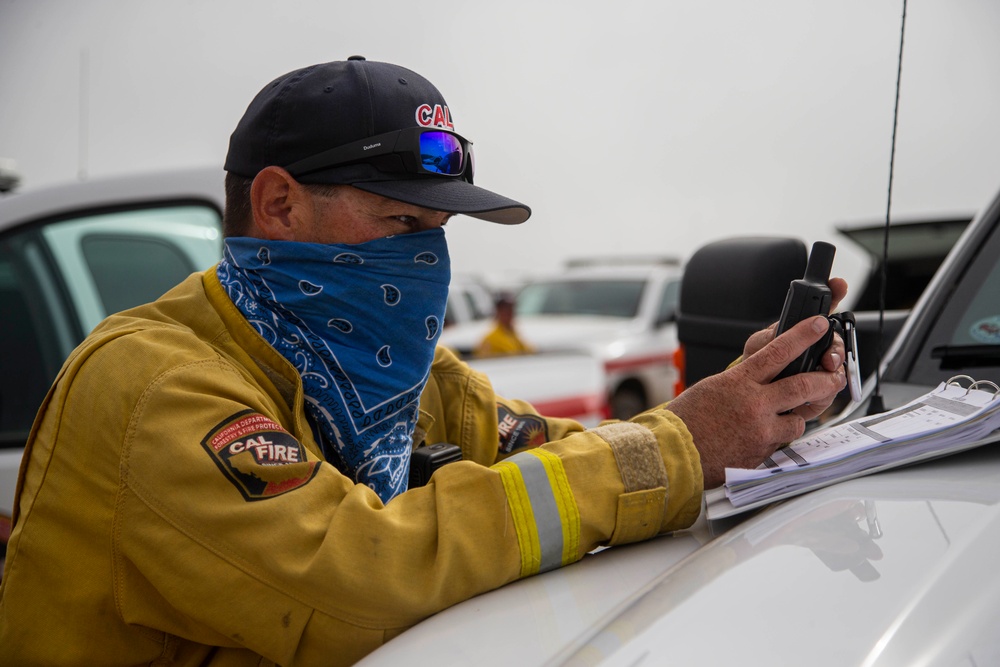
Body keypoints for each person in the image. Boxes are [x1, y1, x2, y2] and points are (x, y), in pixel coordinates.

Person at [0, 56, 847, 666]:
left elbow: (541, 456)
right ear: (279, 203)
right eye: (402, 226)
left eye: (437, 237)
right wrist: (679, 445)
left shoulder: (393, 374)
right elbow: (356, 574)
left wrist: (745, 412)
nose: (428, 265)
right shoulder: (154, 385)